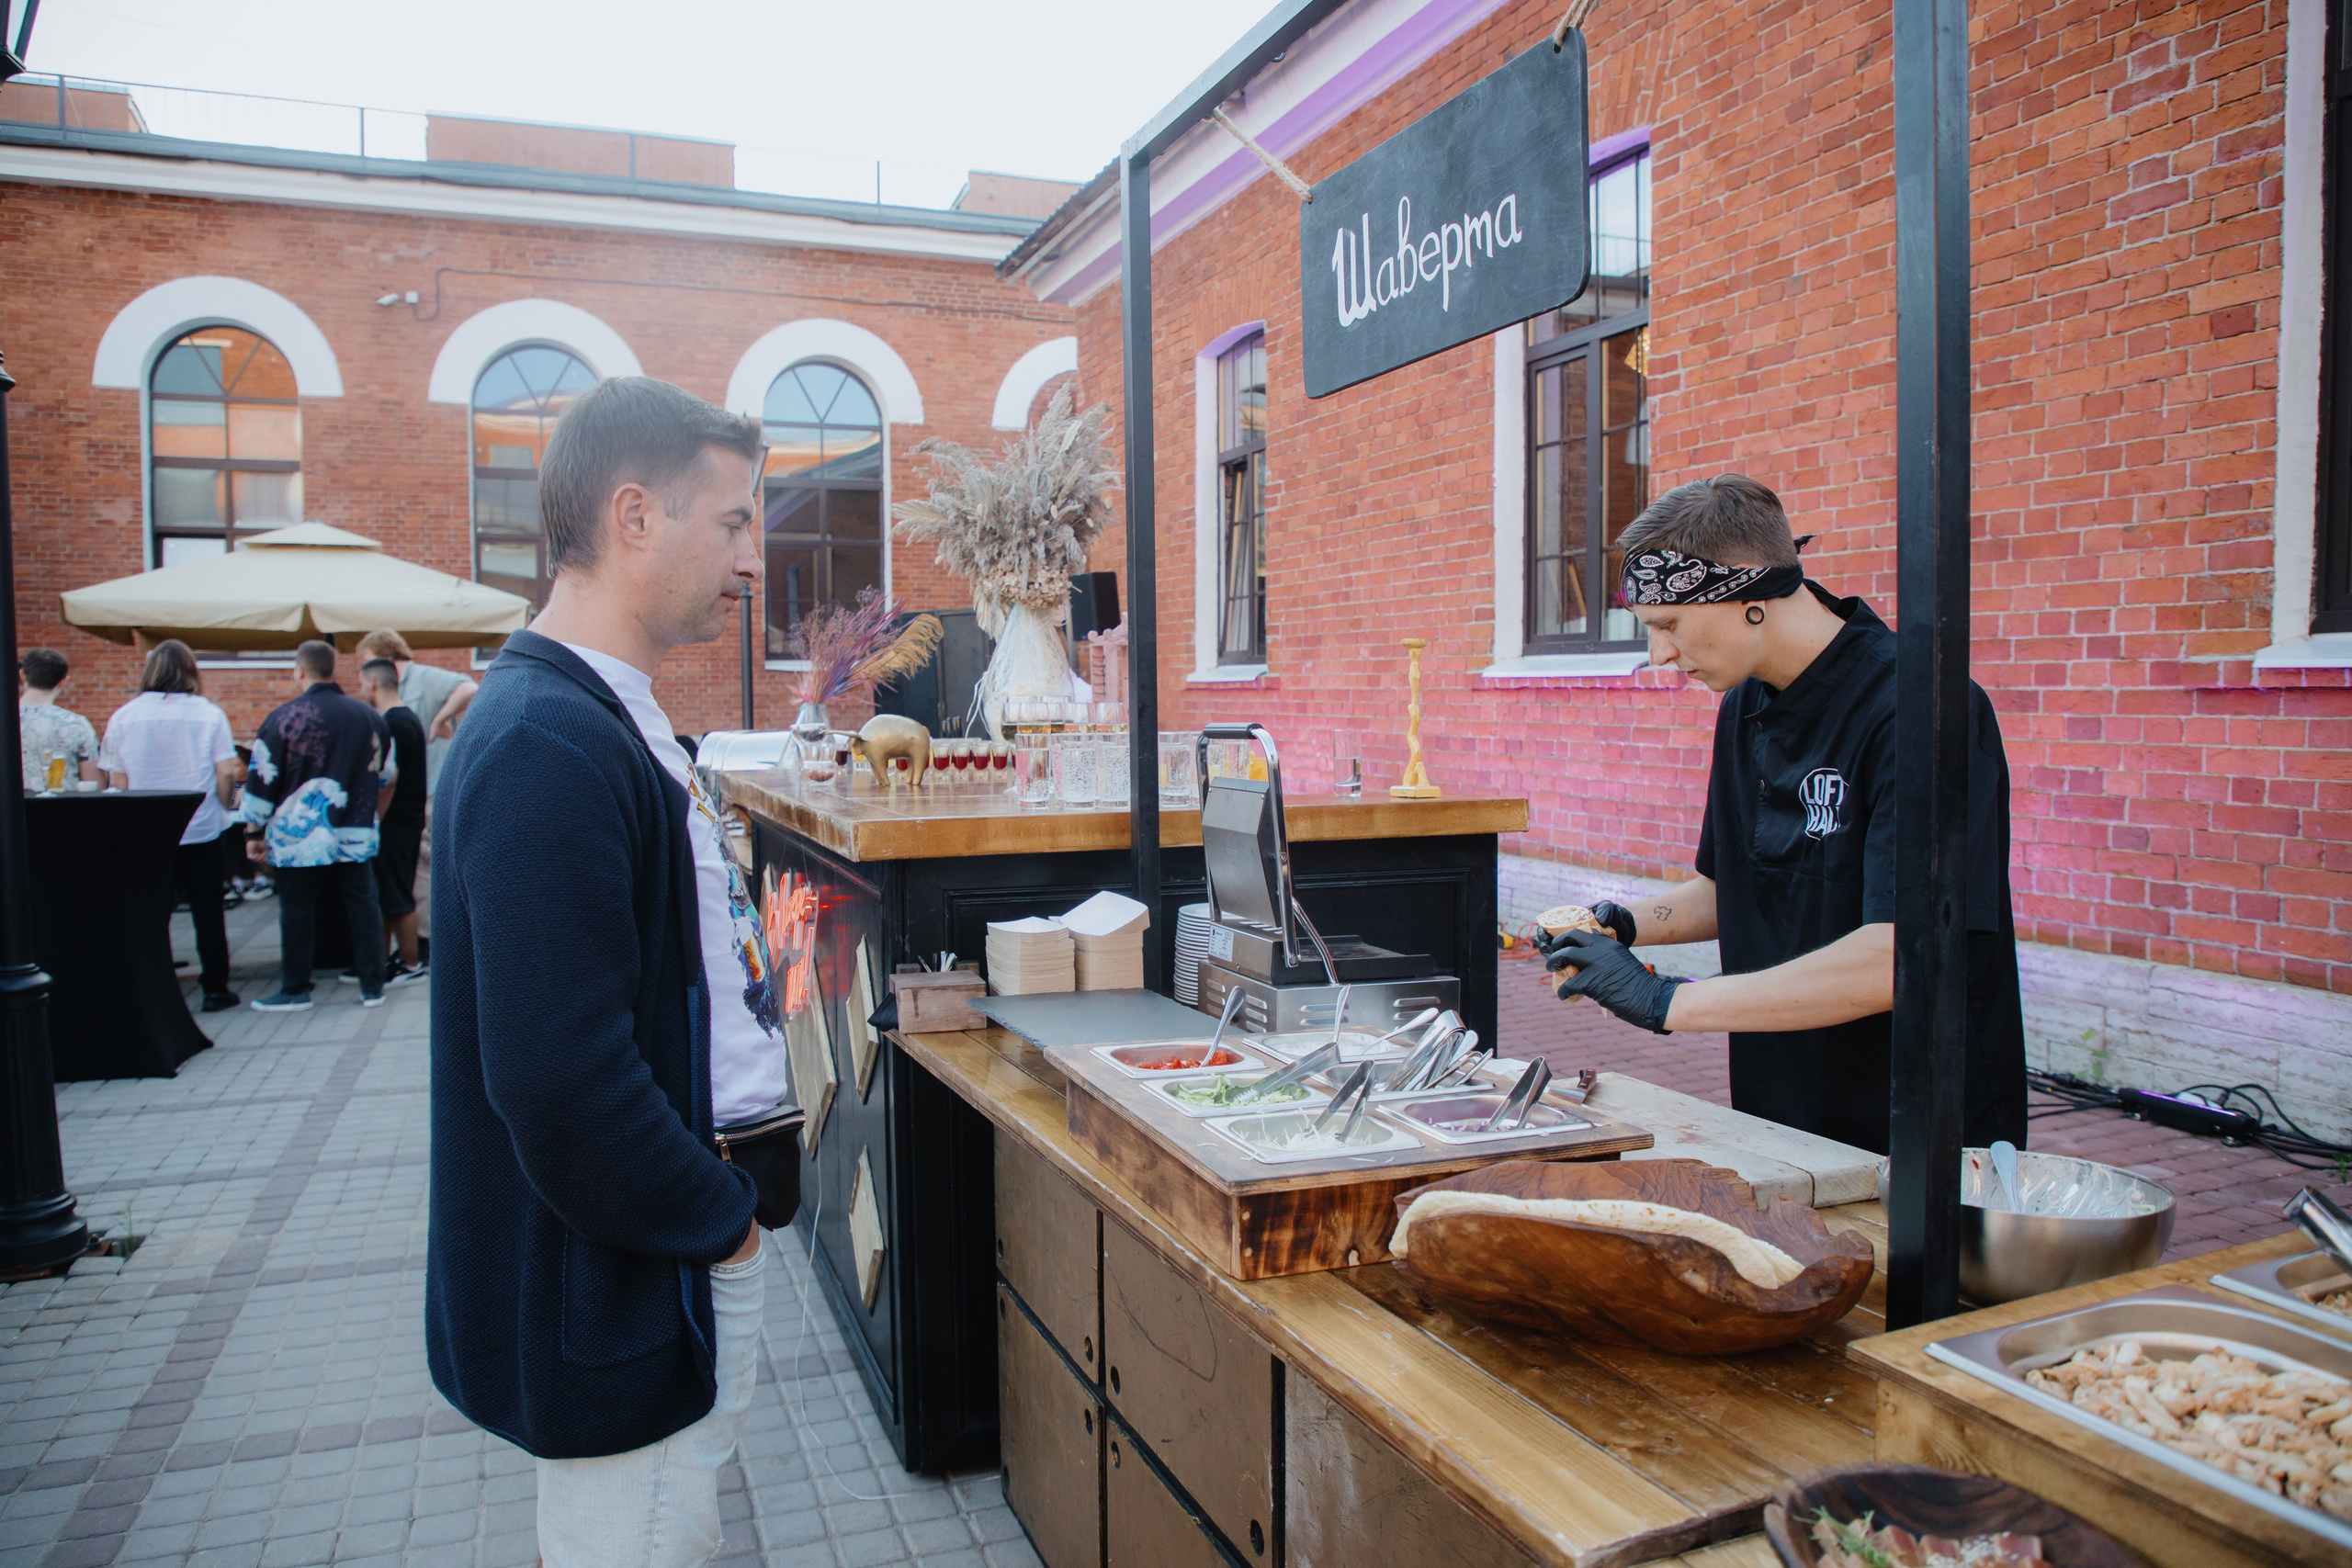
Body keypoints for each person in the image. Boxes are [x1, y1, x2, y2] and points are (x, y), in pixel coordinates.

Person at [428, 377, 787, 1568]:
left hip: (656, 1260)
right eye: (733, 520)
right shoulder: (544, 738)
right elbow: (557, 1076)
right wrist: (720, 1227)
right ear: (635, 515)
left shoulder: (595, 715)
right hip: (630, 1284)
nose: (753, 556)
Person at [1544, 474, 2027, 1155]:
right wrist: (1619, 925)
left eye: (1669, 625)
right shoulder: (1744, 703)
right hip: (1782, 1111)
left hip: (1920, 1128)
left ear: (1747, 592)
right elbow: (1729, 887)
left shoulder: (1922, 708)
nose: (1660, 656)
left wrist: (1666, 1002)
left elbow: (1900, 955)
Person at [239, 639, 394, 1012]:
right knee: (363, 905)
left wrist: (252, 832)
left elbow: (262, 779)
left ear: (299, 670)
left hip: (297, 835)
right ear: (333, 670)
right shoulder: (369, 717)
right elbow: (384, 774)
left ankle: (295, 989)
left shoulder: (283, 718)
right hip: (354, 829)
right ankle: (373, 986)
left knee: (297, 908)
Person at [99, 639, 243, 1012]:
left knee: (151, 912)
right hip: (201, 826)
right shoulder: (208, 713)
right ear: (191, 671)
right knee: (208, 911)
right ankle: (215, 987)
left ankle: (155, 986)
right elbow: (228, 770)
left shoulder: (123, 716)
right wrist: (230, 807)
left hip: (146, 831)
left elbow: (117, 780)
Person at [354, 629, 477, 962]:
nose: (363, 679)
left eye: (367, 666)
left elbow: (469, 687)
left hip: (423, 797)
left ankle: (421, 950)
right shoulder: (398, 711)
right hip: (416, 799)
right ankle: (418, 949)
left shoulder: (419, 684)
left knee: (417, 876)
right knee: (412, 878)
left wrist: (437, 720)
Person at [356, 658, 430, 987]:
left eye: (361, 683)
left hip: (396, 821)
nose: (360, 691)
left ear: (373, 683)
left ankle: (410, 964)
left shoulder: (392, 723)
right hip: (407, 818)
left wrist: (376, 818)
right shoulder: (407, 718)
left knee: (397, 895)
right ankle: (388, 960)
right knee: (391, 894)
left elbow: (389, 778)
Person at [18, 648, 100, 791]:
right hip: (61, 808)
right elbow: (94, 783)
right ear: (63, 681)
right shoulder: (77, 724)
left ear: (22, 675)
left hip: (9, 810)